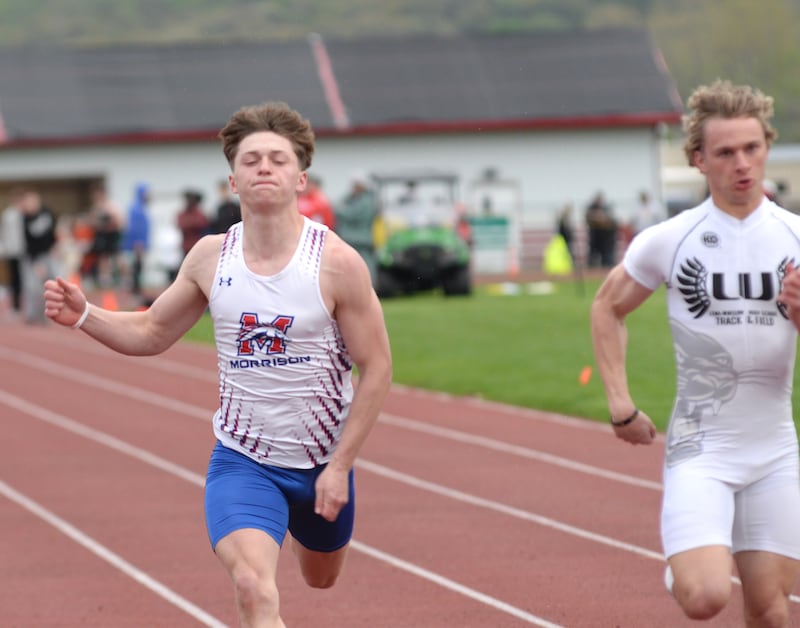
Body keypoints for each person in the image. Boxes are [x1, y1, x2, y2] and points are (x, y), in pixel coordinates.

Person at [43, 101, 393, 627]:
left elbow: (378, 367)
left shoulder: (338, 263)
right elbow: (153, 330)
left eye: (278, 159)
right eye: (252, 160)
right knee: (254, 587)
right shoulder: (211, 257)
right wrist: (84, 315)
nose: (265, 168)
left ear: (301, 177)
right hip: (243, 459)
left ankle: (300, 529)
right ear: (232, 179)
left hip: (321, 460)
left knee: (322, 577)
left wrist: (340, 466)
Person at [590, 80, 800, 625]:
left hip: (775, 448)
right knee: (706, 597)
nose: (742, 164)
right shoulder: (669, 239)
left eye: (752, 148)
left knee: (773, 612)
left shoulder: (795, 237)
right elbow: (607, 308)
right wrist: (620, 402)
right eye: (726, 152)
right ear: (698, 159)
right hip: (701, 448)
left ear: (766, 147)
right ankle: (685, 568)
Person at [334, 172, 380, 285]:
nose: (353, 188)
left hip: (362, 241)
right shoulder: (355, 199)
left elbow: (349, 214)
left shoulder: (366, 201)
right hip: (353, 241)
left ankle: (369, 287)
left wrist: (338, 208)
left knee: (365, 267)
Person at [21, 189, 59, 324]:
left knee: (54, 284)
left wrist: (55, 246)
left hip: (49, 254)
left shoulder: (47, 213)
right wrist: (35, 261)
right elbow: (28, 241)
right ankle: (33, 315)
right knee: (33, 287)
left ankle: (54, 313)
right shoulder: (25, 218)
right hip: (34, 257)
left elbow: (53, 232)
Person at [86, 182, 125, 288]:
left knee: (117, 258)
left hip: (112, 235)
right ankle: (105, 279)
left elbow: (119, 222)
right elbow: (92, 222)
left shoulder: (111, 206)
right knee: (103, 258)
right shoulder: (96, 208)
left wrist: (109, 223)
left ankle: (123, 279)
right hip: (102, 236)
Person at [121, 182, 151, 298]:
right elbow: (134, 228)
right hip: (136, 246)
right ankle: (135, 295)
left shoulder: (141, 208)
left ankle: (136, 292)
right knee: (135, 269)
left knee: (138, 269)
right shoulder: (136, 209)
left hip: (140, 245)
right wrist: (137, 244)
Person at [1, 188, 25, 314]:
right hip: (12, 251)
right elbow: (5, 232)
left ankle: (28, 305)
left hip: (25, 252)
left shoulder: (25, 213)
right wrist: (5, 248)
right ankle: (16, 306)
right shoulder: (8, 214)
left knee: (26, 279)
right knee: (15, 279)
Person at [584, 191, 617, 268]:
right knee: (593, 255)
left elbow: (611, 221)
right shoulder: (591, 207)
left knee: (606, 256)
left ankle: (605, 268)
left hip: (605, 238)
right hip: (595, 237)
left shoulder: (606, 208)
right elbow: (588, 218)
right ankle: (591, 269)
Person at [176, 189, 210, 259]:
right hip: (186, 247)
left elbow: (202, 223)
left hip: (197, 246)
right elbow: (180, 224)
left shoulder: (199, 213)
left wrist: (189, 223)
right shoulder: (183, 213)